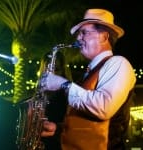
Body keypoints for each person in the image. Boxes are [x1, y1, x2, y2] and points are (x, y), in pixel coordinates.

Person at [41, 8, 136, 150]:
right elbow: (86, 124)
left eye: (84, 32)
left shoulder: (118, 63)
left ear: (104, 37)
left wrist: (63, 84)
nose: (78, 38)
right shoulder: (87, 74)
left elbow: (104, 107)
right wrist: (59, 129)